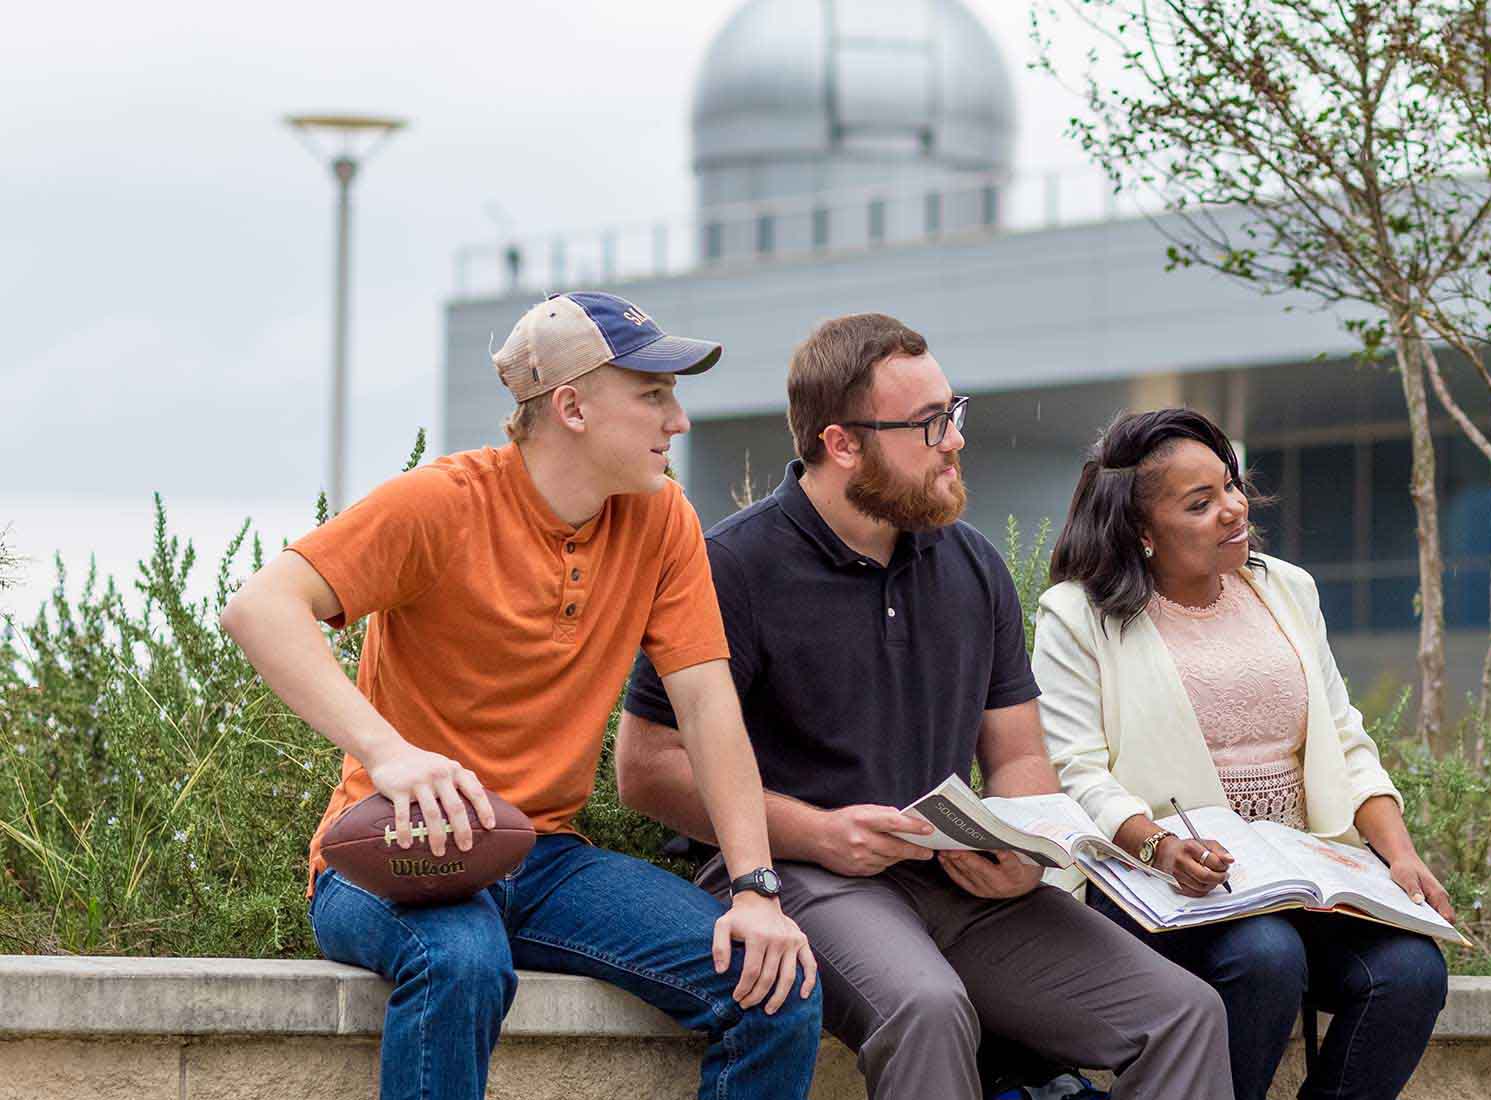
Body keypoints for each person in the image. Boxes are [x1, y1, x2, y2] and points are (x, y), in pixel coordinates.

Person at [613, 313, 1234, 1100]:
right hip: (803, 879)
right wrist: (821, 833)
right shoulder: (731, 567)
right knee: (927, 1008)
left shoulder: (973, 564)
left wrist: (1022, 852)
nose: (955, 440)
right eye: (930, 424)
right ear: (843, 444)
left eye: (954, 412)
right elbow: (647, 769)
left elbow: (1016, 756)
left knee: (1182, 1013)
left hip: (959, 884)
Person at [220, 291, 820, 1100]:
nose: (677, 420)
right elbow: (258, 608)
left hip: (546, 858)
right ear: (571, 405)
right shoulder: (440, 503)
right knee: (459, 962)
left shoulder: (662, 520)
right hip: (394, 856)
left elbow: (710, 711)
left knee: (774, 985)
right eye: (652, 394)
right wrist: (387, 754)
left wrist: (755, 889)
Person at [1033, 407, 1454, 1100]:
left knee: (1411, 973)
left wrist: (1400, 854)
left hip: (1294, 878)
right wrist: (1158, 847)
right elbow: (1077, 774)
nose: (1234, 510)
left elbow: (1344, 738)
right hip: (1157, 885)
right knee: (1265, 956)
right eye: (1201, 503)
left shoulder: (1287, 588)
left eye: (1231, 485)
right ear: (1141, 531)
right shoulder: (1077, 617)